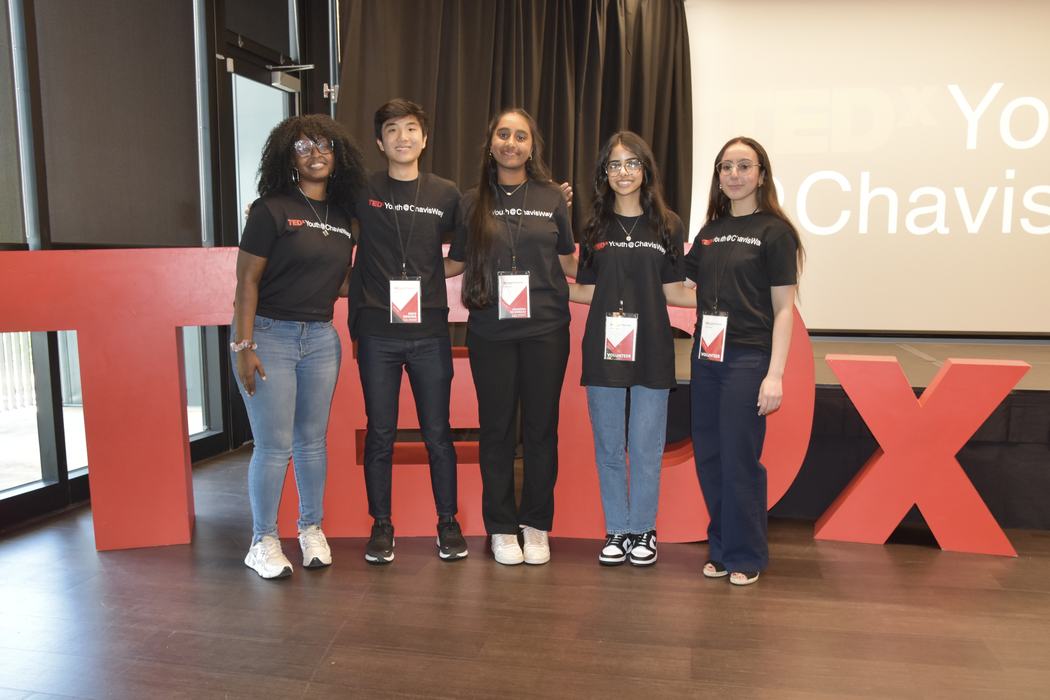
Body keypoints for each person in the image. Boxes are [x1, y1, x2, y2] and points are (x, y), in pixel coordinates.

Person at [232, 114, 366, 579]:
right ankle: (263, 539)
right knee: (273, 446)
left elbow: (340, 281)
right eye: (304, 146)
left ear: (338, 153)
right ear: (288, 155)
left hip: (322, 338)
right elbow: (246, 281)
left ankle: (310, 528)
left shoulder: (344, 216)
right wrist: (242, 344)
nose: (316, 153)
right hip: (270, 335)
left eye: (325, 144)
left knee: (311, 442)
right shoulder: (270, 209)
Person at [446, 108, 577, 565]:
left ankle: (536, 524)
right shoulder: (470, 201)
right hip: (491, 330)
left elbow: (567, 263)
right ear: (491, 143)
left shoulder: (552, 197)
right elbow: (456, 262)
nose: (511, 143)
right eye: (503, 134)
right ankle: (501, 527)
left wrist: (624, 271)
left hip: (546, 329)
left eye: (520, 136)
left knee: (542, 430)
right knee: (497, 431)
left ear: (531, 146)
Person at [347, 98, 468, 564]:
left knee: (438, 433)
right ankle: (381, 525)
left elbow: (466, 243)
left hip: (430, 331)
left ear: (424, 137)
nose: (403, 137)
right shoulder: (362, 189)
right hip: (377, 332)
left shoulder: (446, 193)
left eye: (411, 128)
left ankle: (448, 522)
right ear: (380, 142)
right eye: (392, 130)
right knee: (381, 433)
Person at [569, 131, 694, 567]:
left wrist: (727, 294)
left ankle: (643, 529)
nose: (623, 173)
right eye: (614, 165)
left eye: (632, 163)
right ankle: (617, 530)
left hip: (654, 349)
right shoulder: (594, 225)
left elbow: (675, 291)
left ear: (646, 169)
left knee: (645, 446)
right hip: (603, 350)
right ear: (605, 172)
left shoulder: (668, 224)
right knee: (608, 446)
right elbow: (586, 290)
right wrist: (545, 286)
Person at [684, 136, 803, 586]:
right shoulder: (710, 230)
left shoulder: (775, 231)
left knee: (739, 458)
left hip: (748, 359)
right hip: (706, 355)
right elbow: (683, 288)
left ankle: (746, 554)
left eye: (743, 166)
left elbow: (784, 310)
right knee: (710, 456)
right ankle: (721, 547)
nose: (734, 174)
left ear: (761, 174)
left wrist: (775, 375)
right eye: (726, 166)